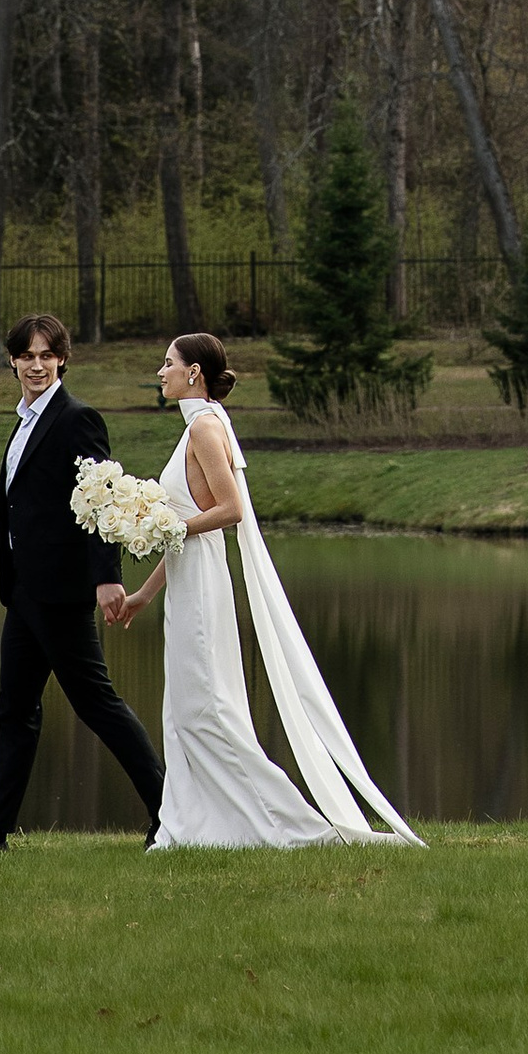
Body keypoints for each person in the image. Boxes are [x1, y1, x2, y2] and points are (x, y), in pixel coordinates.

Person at [100, 332, 418, 847]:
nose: (160, 373)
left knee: (207, 707)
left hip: (202, 583)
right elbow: (184, 529)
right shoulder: (198, 425)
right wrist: (145, 593)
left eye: (168, 364)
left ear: (193, 373)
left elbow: (229, 511)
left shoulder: (204, 426)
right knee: (185, 708)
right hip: (187, 576)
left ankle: (283, 823)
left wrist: (169, 529)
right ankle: (196, 822)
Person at [0, 311, 165, 852]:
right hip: (24, 592)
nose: (36, 365)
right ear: (11, 360)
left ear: (62, 360)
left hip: (61, 592)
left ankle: (170, 816)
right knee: (15, 710)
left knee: (97, 705)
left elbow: (100, 500)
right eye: (26, 356)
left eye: (46, 355)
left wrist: (107, 580)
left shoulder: (77, 418)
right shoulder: (25, 419)